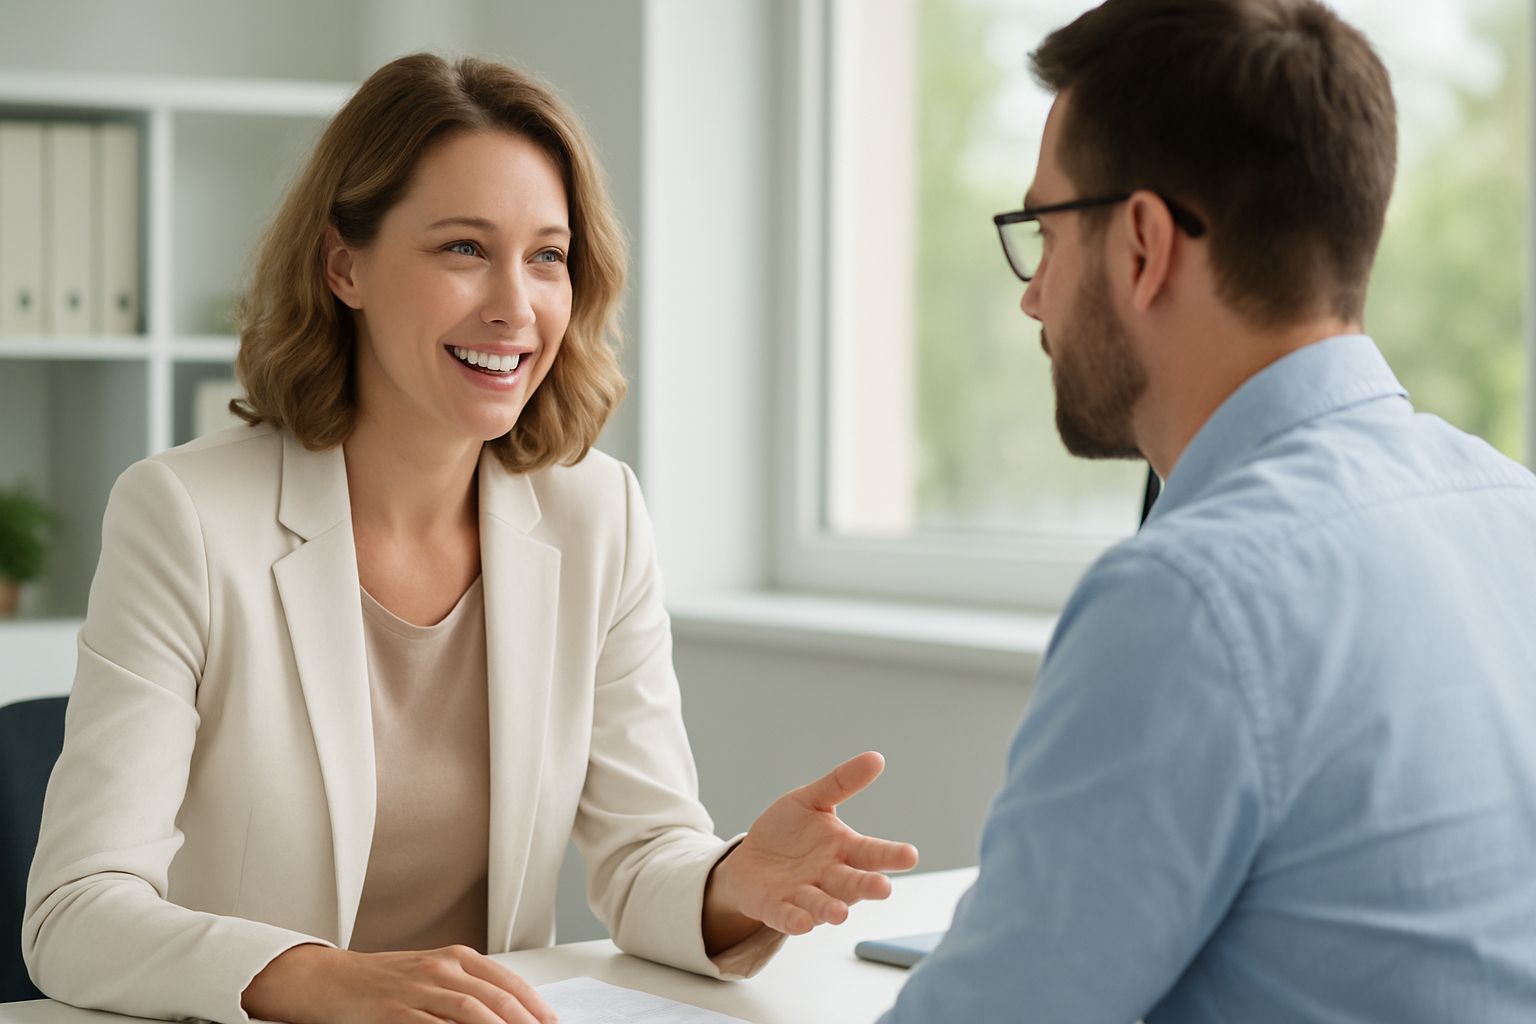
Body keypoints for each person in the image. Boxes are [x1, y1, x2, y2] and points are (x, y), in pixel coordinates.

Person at [23, 54, 918, 1024]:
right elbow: (75, 912)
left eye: (546, 256)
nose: (514, 305)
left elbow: (644, 851)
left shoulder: (598, 515)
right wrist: (324, 978)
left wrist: (735, 880)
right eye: (462, 249)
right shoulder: (184, 516)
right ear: (344, 265)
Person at [880, 0, 1536, 1021]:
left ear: (1143, 244)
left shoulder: (1190, 598)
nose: (1033, 295)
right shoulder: (1516, 515)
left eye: (1044, 234)